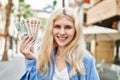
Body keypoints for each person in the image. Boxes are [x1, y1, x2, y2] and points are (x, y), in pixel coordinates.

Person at [20, 7, 100, 80]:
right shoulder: (44, 56)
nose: (62, 32)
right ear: (51, 29)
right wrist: (30, 59)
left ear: (76, 30)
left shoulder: (86, 60)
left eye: (68, 27)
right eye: (57, 26)